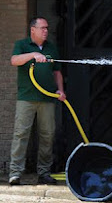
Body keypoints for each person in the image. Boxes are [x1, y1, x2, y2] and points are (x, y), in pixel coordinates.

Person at [9, 16, 66, 185]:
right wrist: (33, 54)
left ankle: (44, 173)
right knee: (21, 134)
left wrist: (60, 90)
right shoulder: (22, 45)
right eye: (43, 28)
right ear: (32, 30)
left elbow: (57, 72)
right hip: (26, 98)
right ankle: (15, 173)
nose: (46, 31)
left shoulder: (51, 48)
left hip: (47, 98)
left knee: (47, 135)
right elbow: (14, 61)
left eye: (47, 28)